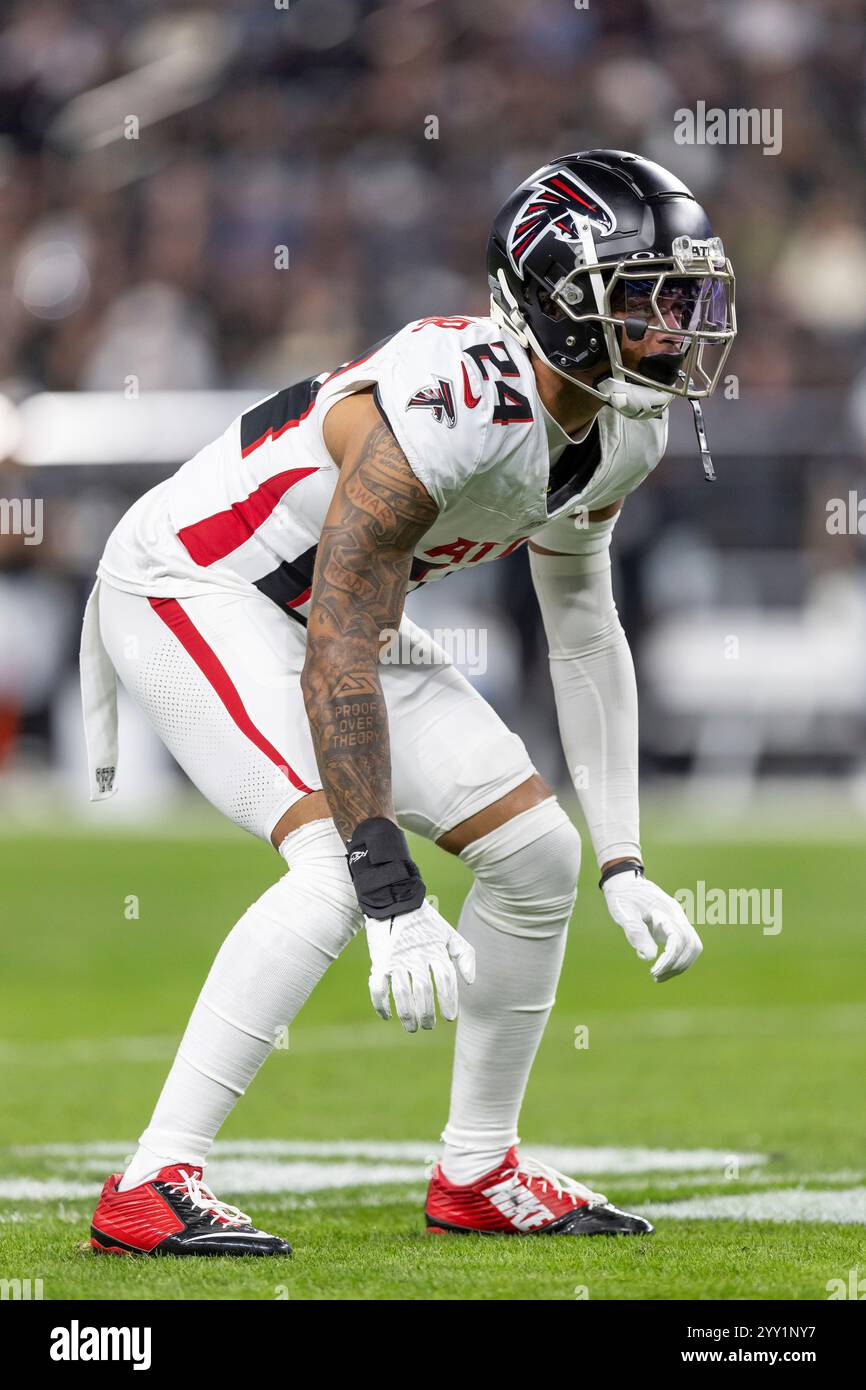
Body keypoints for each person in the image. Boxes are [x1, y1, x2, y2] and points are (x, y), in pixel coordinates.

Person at [80, 149, 736, 1254]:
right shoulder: (456, 396)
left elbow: (581, 626)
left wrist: (622, 855)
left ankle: (478, 1169)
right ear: (558, 300)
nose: (677, 325)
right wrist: (390, 885)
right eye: (649, 299)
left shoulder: (623, 425)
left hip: (335, 613)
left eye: (686, 295)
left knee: (536, 854)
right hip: (200, 583)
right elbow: (335, 638)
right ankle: (152, 1179)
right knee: (336, 865)